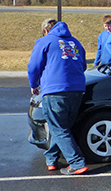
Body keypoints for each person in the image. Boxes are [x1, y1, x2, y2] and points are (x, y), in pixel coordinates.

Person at [27, 18, 88, 175]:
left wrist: (34, 85)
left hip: (55, 91)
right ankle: (51, 158)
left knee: (58, 128)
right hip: (77, 90)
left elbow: (34, 66)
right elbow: (83, 65)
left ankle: (76, 162)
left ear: (46, 31)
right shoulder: (76, 42)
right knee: (62, 127)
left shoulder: (44, 41)